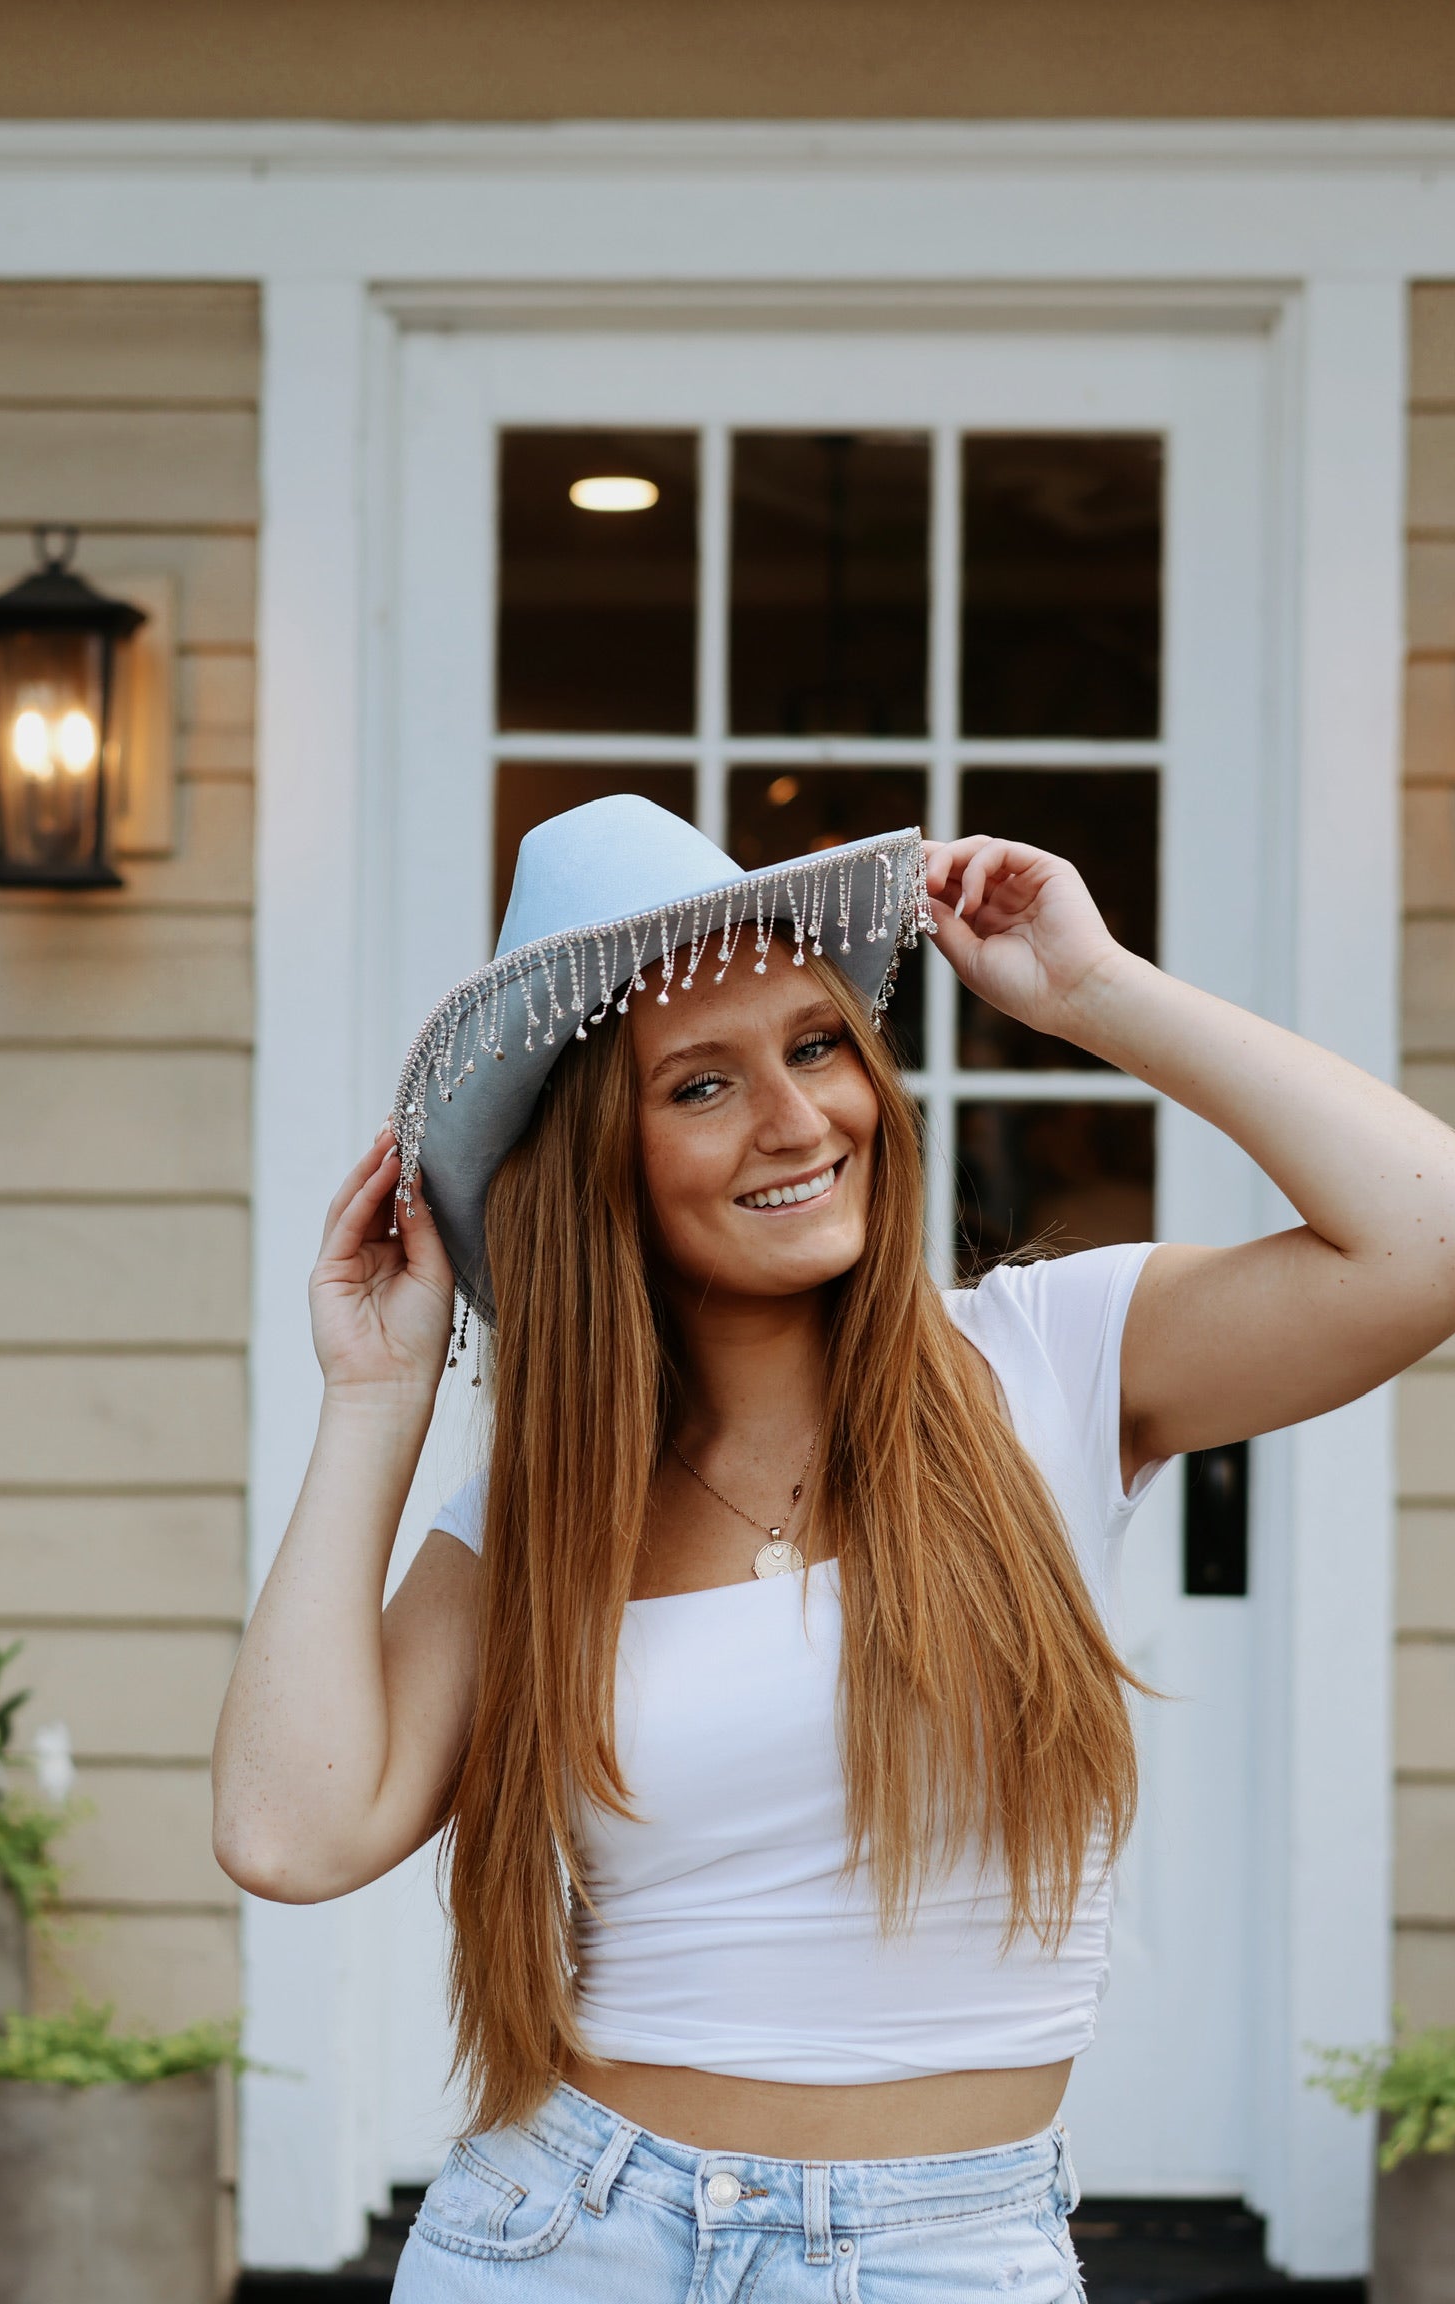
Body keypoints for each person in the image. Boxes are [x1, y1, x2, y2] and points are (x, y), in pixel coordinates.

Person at [212, 796, 1455, 2302]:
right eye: (701, 1086)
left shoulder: (1049, 1364)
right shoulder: (546, 1513)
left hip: (947, 2249)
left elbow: (1428, 1236)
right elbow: (290, 1834)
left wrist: (1096, 995)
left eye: (816, 1046)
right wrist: (376, 1396)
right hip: (566, 2233)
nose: (799, 1121)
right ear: (606, 1159)